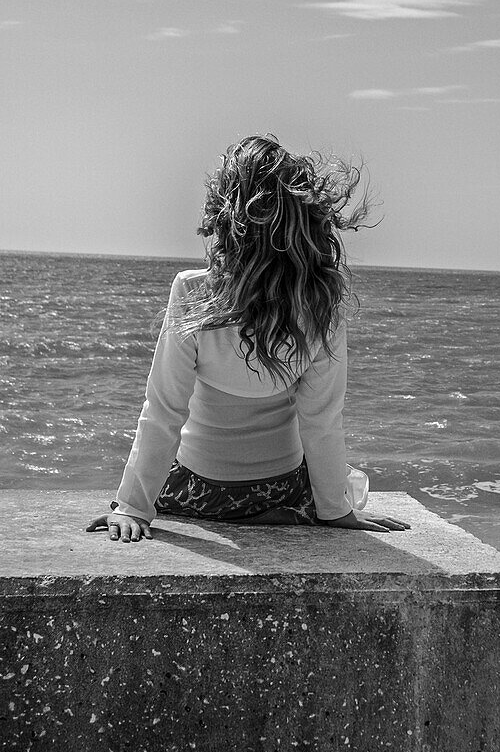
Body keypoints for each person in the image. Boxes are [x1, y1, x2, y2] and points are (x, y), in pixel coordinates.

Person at [88, 134, 408, 542]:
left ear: (226, 215)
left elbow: (164, 410)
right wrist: (334, 511)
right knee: (342, 478)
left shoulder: (193, 290)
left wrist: (133, 506)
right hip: (283, 491)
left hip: (197, 493)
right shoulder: (323, 303)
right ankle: (285, 513)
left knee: (173, 460)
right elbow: (321, 422)